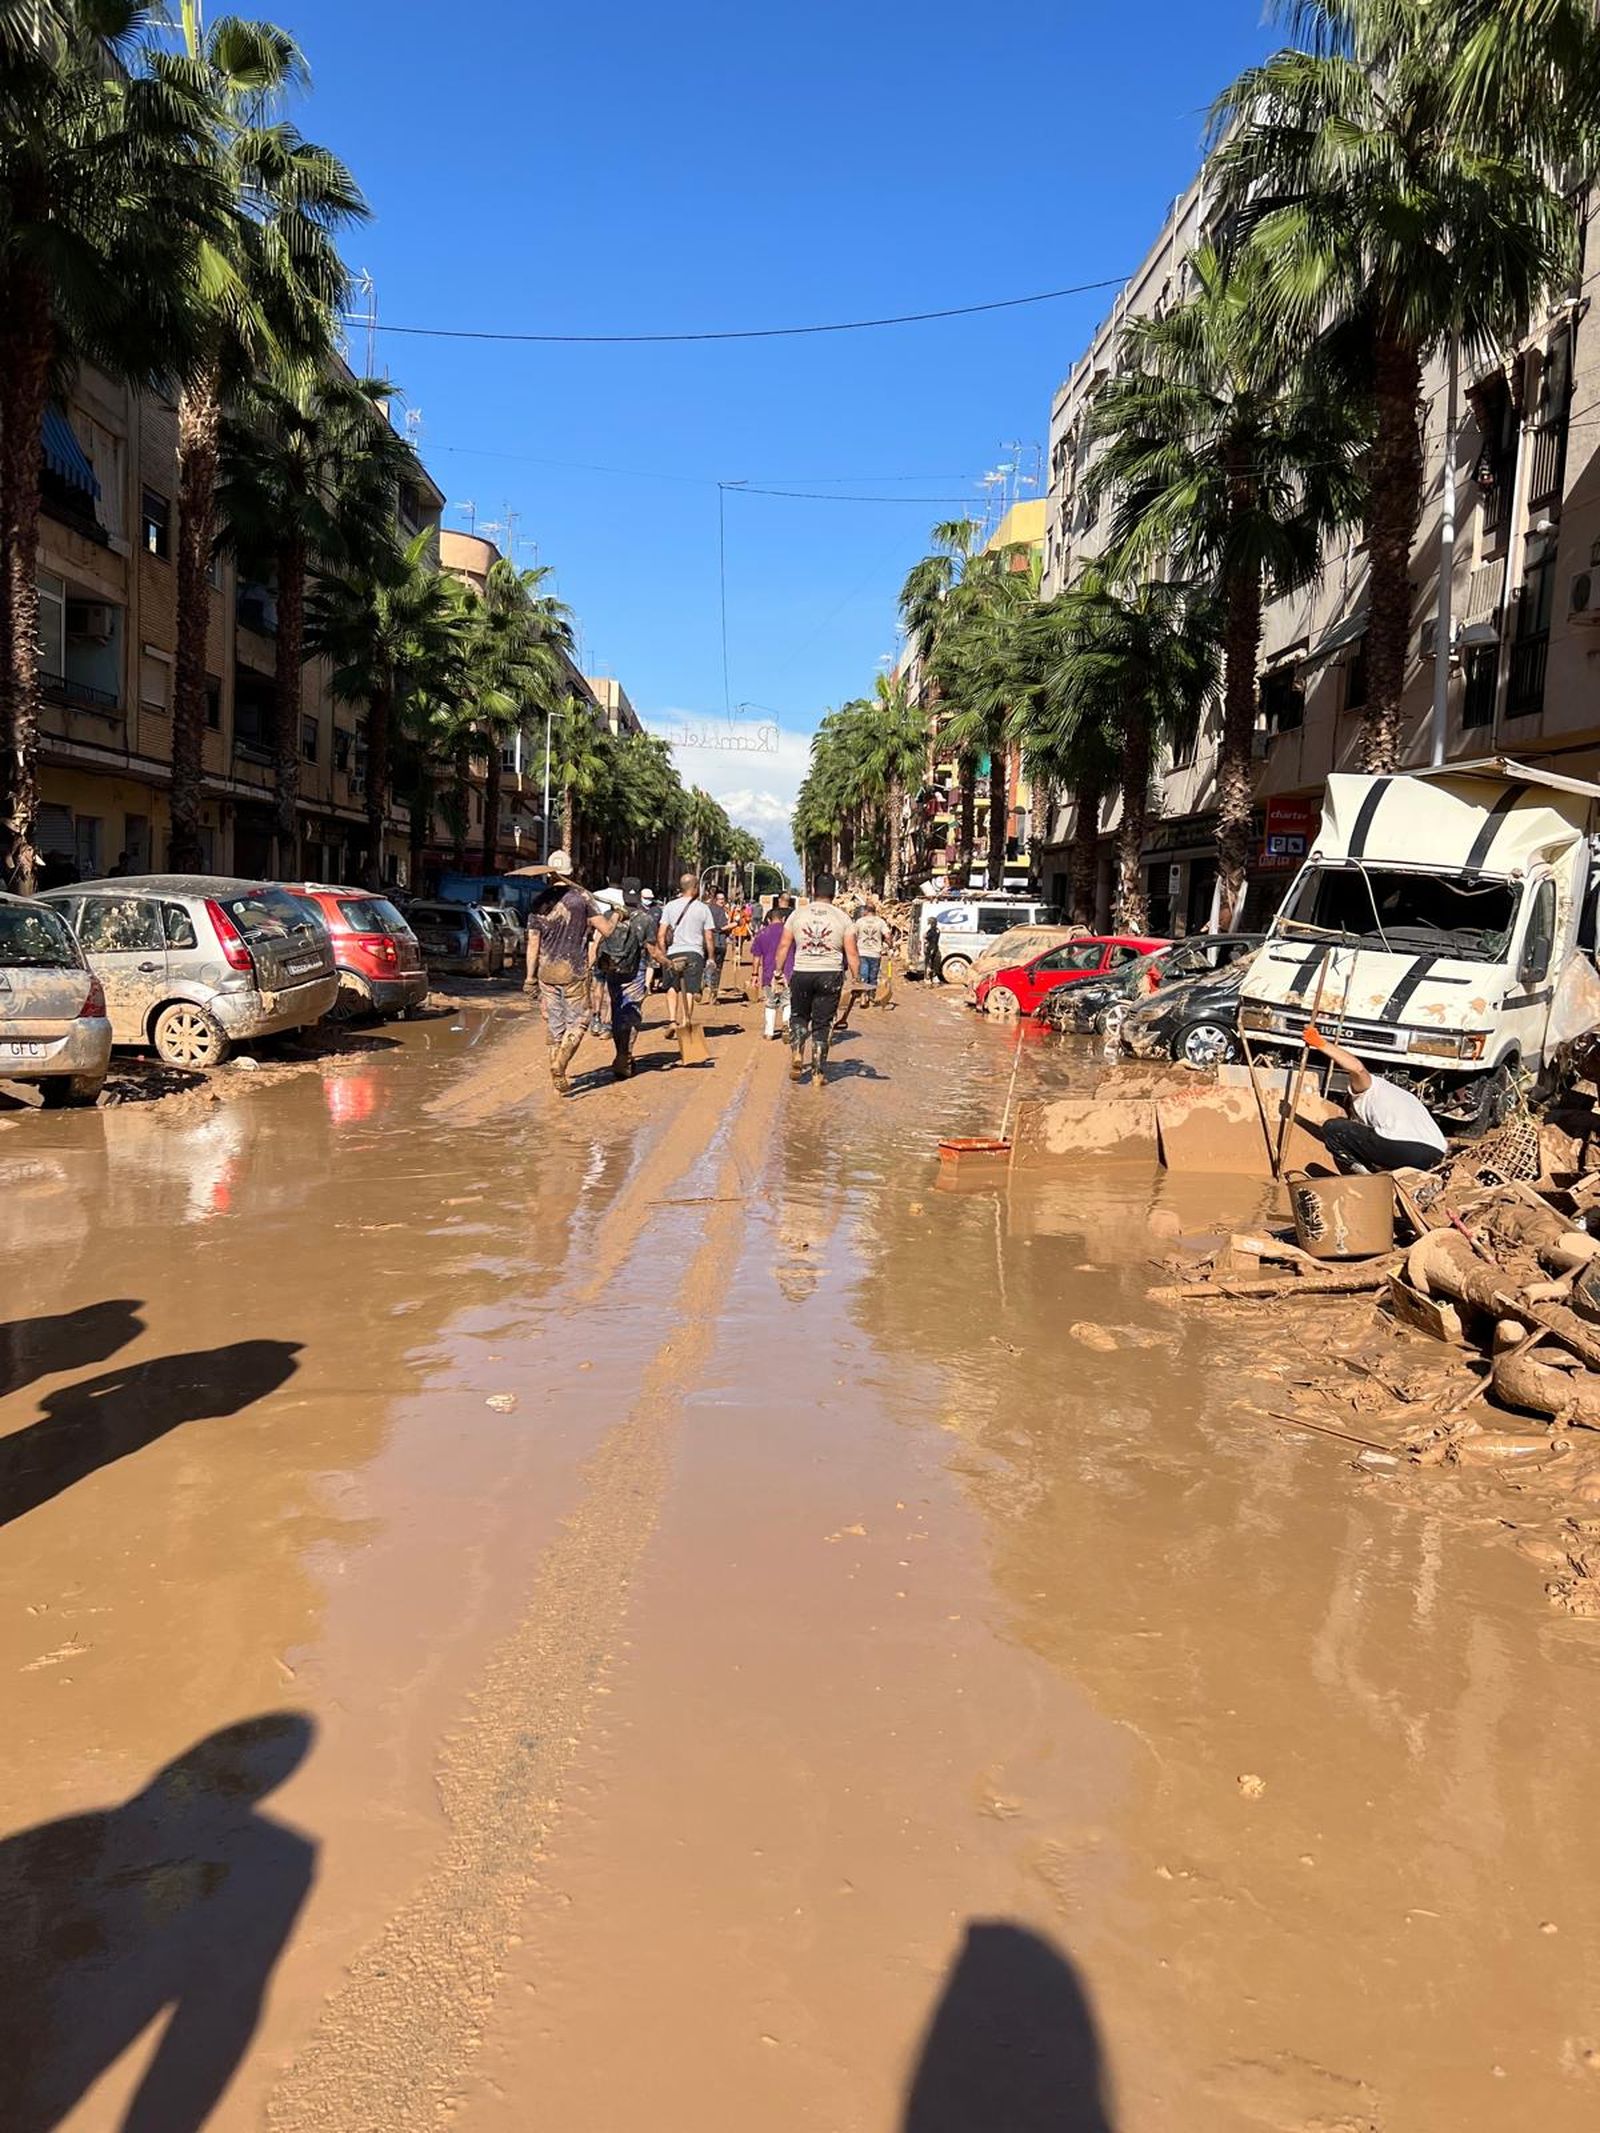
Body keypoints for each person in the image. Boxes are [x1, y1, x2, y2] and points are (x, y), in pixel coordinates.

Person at [524, 850, 617, 1094]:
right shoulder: (582, 898)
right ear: (570, 872)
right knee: (580, 1021)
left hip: (546, 972)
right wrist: (617, 914)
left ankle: (556, 1077)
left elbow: (533, 943)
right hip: (573, 969)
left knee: (555, 1025)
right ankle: (560, 1064)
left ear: (548, 874)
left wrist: (530, 977)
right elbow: (606, 930)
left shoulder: (538, 902)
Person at [1303, 1025, 1449, 1174]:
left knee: (1333, 1128)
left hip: (1403, 1146)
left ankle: (1367, 1179)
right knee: (1376, 1147)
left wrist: (1321, 1043)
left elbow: (1357, 1068)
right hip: (1436, 1154)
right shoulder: (1402, 1098)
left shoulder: (1367, 1090)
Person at [775, 874, 859, 1087]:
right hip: (830, 974)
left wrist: (778, 971)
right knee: (822, 1024)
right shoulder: (843, 917)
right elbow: (852, 954)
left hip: (802, 973)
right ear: (834, 892)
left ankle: (796, 1051)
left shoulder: (797, 914)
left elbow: (784, 946)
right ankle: (817, 1073)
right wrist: (856, 979)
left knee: (799, 1016)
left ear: (813, 889)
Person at [592, 879, 657, 1080]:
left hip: (613, 972)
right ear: (638, 896)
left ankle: (621, 1055)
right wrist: (669, 963)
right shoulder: (646, 920)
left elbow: (596, 941)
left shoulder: (610, 915)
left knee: (617, 1014)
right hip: (635, 973)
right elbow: (652, 950)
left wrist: (590, 967)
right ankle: (624, 1056)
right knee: (632, 1015)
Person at [658, 871, 716, 1045]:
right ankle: (685, 1020)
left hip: (673, 952)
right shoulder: (703, 908)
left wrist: (664, 954)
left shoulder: (669, 906)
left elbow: (661, 935)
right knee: (690, 989)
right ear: (695, 888)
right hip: (694, 953)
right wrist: (711, 957)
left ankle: (671, 1021)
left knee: (671, 987)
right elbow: (709, 937)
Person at [750, 902, 794, 1040]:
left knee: (770, 1002)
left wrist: (755, 975)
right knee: (787, 1002)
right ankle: (787, 1025)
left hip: (769, 975)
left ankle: (769, 1032)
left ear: (768, 920)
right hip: (788, 973)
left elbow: (756, 958)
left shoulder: (762, 934)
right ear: (783, 919)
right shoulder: (790, 933)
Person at [704, 889, 731, 1002]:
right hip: (718, 943)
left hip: (706, 942)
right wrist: (735, 924)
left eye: (723, 899)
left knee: (706, 966)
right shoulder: (720, 911)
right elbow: (721, 927)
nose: (721, 901)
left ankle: (705, 985)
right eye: (720, 899)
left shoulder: (707, 909)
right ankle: (713, 995)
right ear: (715, 899)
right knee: (717, 969)